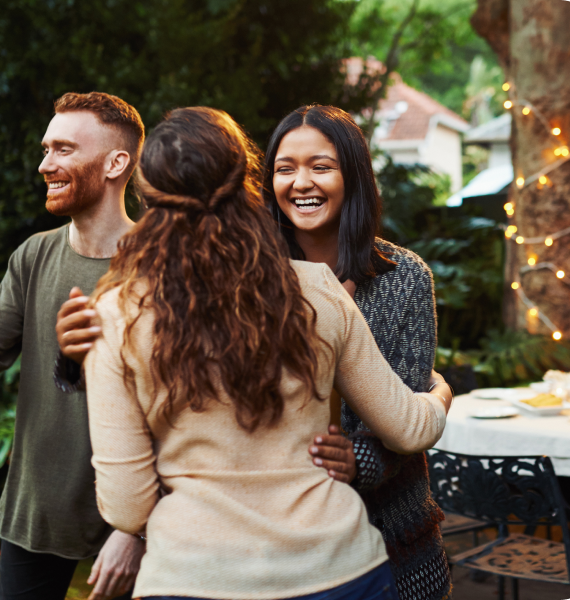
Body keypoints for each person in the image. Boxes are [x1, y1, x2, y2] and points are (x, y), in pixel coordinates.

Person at [82, 106, 450, 600]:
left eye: (321, 166)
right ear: (248, 183)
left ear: (146, 194)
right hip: (337, 570)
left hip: (195, 577)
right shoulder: (319, 289)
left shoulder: (116, 312)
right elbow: (410, 428)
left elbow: (128, 507)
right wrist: (439, 395)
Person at [0, 92, 147, 600]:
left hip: (140, 515)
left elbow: (191, 406)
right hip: (37, 509)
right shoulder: (35, 255)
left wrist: (136, 529)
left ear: (115, 163)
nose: (45, 165)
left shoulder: (164, 261)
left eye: (62, 150)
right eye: (45, 150)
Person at [262, 104, 453, 600]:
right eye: (286, 169)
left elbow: (410, 405)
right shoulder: (254, 278)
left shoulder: (404, 278)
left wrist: (359, 460)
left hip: (394, 541)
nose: (301, 182)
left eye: (320, 167)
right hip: (284, 545)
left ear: (353, 176)